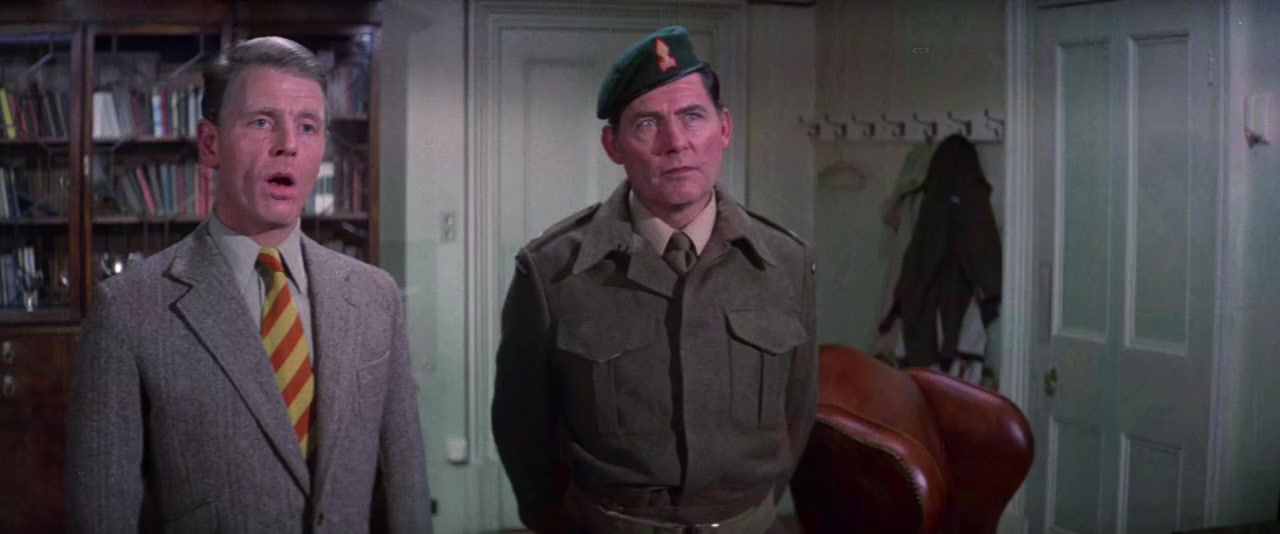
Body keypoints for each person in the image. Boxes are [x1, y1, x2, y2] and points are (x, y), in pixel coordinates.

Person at [66, 37, 432, 532]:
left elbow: (406, 493)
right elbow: (102, 515)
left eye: (308, 126)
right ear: (211, 144)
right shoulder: (129, 309)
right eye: (262, 122)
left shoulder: (374, 297)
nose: (288, 144)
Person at [491, 26, 817, 534]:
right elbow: (522, 427)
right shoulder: (552, 270)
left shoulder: (786, 262)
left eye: (693, 116)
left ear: (724, 128)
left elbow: (798, 411)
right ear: (613, 144)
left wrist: (745, 509)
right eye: (647, 123)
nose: (676, 143)